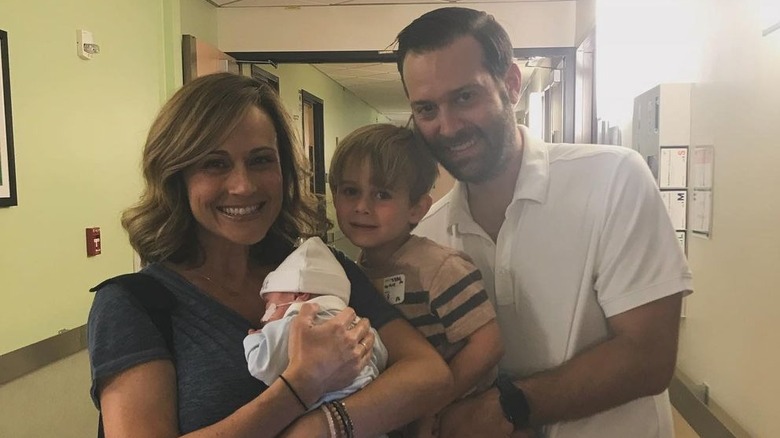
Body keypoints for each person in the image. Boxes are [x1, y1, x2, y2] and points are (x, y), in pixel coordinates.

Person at [87, 72, 451, 438]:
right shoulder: (133, 305)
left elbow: (427, 373)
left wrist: (322, 426)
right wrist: (299, 387)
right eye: (215, 164)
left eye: (261, 160)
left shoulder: (321, 268)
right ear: (177, 175)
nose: (243, 186)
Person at [395, 7, 693, 438]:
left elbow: (649, 356)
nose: (448, 126)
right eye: (426, 109)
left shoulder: (613, 179)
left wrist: (506, 407)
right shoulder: (426, 238)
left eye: (465, 97)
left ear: (511, 84)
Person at [329, 123, 504, 437]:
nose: (361, 207)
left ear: (416, 208)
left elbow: (488, 344)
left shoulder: (438, 267)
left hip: (459, 416)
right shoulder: (356, 272)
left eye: (382, 194)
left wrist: (433, 403)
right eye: (350, 191)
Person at [243, 236, 388, 410]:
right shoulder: (360, 325)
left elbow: (262, 365)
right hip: (369, 411)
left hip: (324, 411)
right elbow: (381, 356)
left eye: (269, 303)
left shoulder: (294, 325)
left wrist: (254, 339)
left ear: (299, 295)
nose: (264, 313)